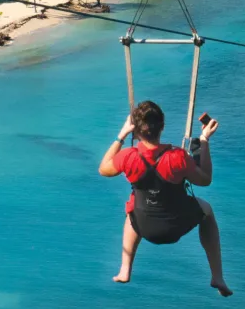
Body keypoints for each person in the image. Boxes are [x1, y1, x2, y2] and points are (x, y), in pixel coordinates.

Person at [98, 99, 231, 296]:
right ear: (162, 126)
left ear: (136, 130)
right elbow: (205, 180)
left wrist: (122, 134)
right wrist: (204, 141)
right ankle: (217, 276)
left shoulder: (128, 157)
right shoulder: (177, 157)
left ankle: (125, 269)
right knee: (207, 211)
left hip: (145, 227)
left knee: (131, 211)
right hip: (175, 225)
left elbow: (104, 169)